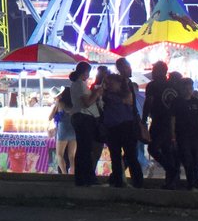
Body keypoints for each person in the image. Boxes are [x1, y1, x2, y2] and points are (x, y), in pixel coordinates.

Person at [102, 58, 144, 188]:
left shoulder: (123, 88)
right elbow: (129, 101)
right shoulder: (110, 94)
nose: (110, 85)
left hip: (123, 125)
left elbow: (130, 101)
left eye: (112, 83)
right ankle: (121, 181)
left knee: (128, 155)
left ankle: (125, 181)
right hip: (119, 125)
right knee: (121, 155)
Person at [67, 61, 102, 187]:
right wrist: (97, 93)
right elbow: (87, 103)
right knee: (85, 149)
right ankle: (86, 178)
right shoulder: (80, 84)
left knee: (83, 149)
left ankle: (81, 178)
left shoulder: (77, 84)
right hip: (84, 117)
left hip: (80, 118)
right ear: (85, 72)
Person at [142, 62, 178, 187]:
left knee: (152, 148)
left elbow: (149, 102)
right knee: (167, 150)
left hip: (159, 121)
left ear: (159, 72)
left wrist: (143, 119)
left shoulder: (153, 85)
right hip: (172, 121)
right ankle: (170, 181)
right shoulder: (173, 85)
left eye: (154, 70)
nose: (152, 72)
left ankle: (171, 171)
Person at [173, 76, 198, 190]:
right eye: (186, 88)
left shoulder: (195, 102)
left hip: (195, 135)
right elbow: (172, 119)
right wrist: (173, 135)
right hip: (182, 135)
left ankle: (195, 184)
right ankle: (191, 184)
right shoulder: (177, 102)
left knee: (196, 161)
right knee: (187, 160)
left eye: (190, 88)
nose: (188, 91)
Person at [52, 87, 76, 175]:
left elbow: (50, 117)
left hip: (63, 131)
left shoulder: (59, 103)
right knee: (72, 155)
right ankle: (73, 174)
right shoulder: (74, 104)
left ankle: (64, 174)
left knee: (59, 154)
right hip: (73, 130)